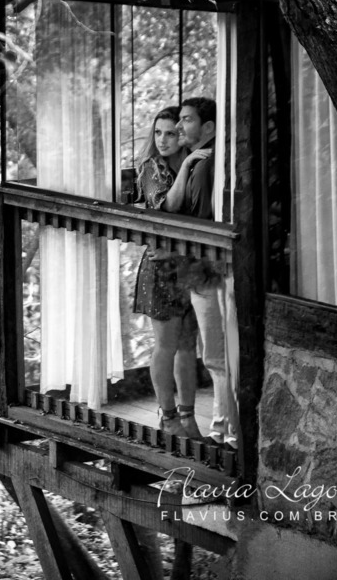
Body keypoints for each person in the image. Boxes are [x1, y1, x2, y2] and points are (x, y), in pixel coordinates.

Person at [166, 96, 239, 448]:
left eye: (187, 120)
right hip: (206, 267)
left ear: (208, 126)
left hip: (209, 268)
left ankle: (227, 431)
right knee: (215, 354)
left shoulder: (205, 165)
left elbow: (198, 217)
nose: (180, 126)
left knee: (216, 355)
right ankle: (223, 427)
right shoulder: (198, 161)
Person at [135, 107, 202, 440]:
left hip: (188, 267)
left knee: (188, 345)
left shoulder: (195, 163)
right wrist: (187, 164)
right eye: (158, 133)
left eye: (171, 133)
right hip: (160, 270)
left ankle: (188, 417)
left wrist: (189, 163)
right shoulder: (152, 168)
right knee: (166, 345)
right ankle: (168, 417)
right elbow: (169, 207)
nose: (163, 140)